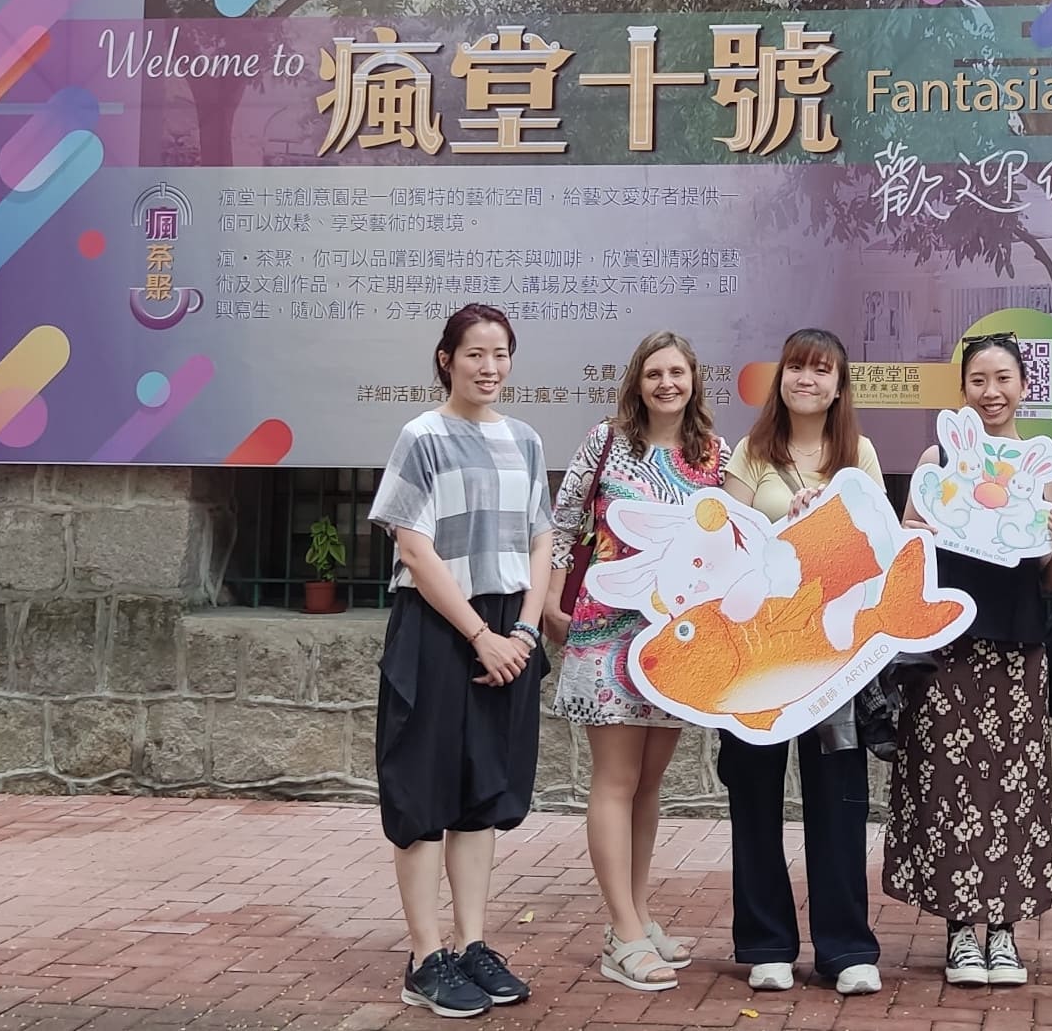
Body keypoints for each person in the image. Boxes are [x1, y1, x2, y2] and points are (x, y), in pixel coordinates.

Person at [369, 303, 554, 1018]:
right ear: (446, 357)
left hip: (511, 629)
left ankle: (473, 944)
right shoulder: (421, 437)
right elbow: (413, 546)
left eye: (500, 353)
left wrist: (526, 633)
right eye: (474, 353)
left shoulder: (526, 440)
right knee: (420, 795)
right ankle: (424, 957)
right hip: (440, 627)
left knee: (481, 795)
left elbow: (541, 539)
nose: (489, 367)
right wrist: (480, 635)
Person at [885, 332, 1052, 987]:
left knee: (1010, 788)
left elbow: (1051, 581)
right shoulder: (936, 459)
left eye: (1002, 379)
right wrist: (909, 538)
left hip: (1016, 647)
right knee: (945, 785)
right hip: (943, 648)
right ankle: (956, 934)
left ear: (1024, 387)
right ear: (961, 390)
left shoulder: (1044, 467)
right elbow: (906, 562)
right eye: (977, 381)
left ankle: (1002, 931)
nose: (990, 392)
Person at [545, 331, 731, 993]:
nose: (665, 383)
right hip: (605, 636)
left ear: (693, 380)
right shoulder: (604, 443)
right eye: (653, 373)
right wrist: (547, 601)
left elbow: (732, 541)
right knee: (615, 782)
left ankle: (638, 913)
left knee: (651, 785)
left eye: (676, 372)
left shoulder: (713, 455)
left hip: (674, 643)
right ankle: (621, 932)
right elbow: (561, 525)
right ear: (636, 381)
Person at [717, 328, 884, 997]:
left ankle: (845, 950)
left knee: (837, 798)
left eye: (820, 371)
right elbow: (722, 543)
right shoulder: (751, 451)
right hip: (756, 653)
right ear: (779, 378)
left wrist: (832, 525)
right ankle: (766, 944)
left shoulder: (859, 454)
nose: (805, 380)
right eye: (795, 368)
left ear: (839, 385)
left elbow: (879, 549)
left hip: (831, 656)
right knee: (753, 792)